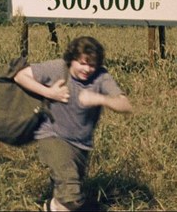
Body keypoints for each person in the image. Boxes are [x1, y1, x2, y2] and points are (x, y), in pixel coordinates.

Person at [14, 36, 133, 211]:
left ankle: (54, 206)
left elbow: (126, 105)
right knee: (71, 195)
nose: (87, 69)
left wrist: (99, 98)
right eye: (82, 63)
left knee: (67, 195)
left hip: (81, 144)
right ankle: (62, 206)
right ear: (72, 59)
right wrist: (50, 93)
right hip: (53, 136)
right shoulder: (57, 68)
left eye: (92, 64)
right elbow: (20, 76)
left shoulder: (101, 76)